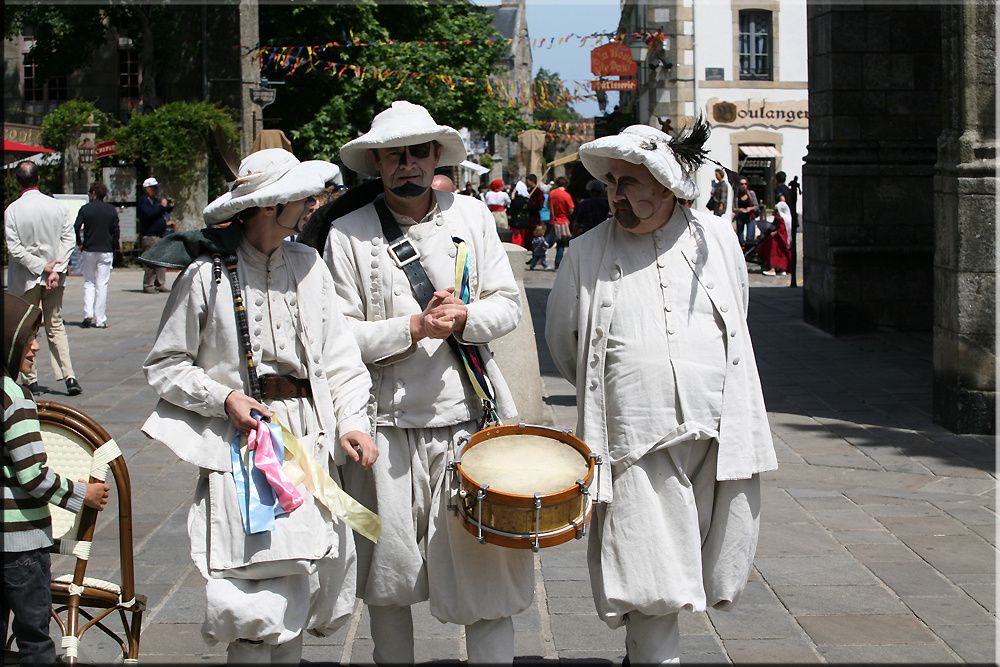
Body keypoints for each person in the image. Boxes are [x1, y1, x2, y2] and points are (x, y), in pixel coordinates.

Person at [545, 123, 777, 665]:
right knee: (648, 575)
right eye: (612, 182)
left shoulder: (715, 237)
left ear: (668, 184)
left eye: (631, 181)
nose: (616, 194)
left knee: (698, 561)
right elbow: (565, 342)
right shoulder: (585, 253)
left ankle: (642, 653)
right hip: (632, 439)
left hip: (716, 432)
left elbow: (736, 311)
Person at [141, 148, 378, 664]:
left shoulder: (309, 264)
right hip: (241, 447)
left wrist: (353, 423)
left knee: (301, 579)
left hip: (306, 443)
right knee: (248, 597)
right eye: (303, 197)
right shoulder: (206, 275)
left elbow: (341, 361)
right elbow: (165, 365)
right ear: (271, 206)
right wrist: (222, 397)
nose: (314, 204)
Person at [323, 100, 533, 665]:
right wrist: (412, 326)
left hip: (469, 422)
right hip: (382, 430)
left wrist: (465, 317)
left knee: (487, 577)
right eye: (395, 155)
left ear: (436, 156)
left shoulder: (472, 217)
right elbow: (336, 336)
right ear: (377, 163)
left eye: (418, 152)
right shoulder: (346, 233)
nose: (408, 165)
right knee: (387, 582)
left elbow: (507, 306)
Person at [2, 292, 109, 665]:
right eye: (28, 337)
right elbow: (33, 476)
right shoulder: (14, 397)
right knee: (34, 638)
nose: (35, 345)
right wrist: (83, 495)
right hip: (22, 548)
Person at [4, 160, 82, 396]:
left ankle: (31, 379)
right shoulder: (57, 207)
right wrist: (55, 270)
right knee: (55, 324)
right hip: (54, 278)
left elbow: (14, 248)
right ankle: (69, 376)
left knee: (27, 327)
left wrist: (41, 267)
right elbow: (69, 240)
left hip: (26, 278)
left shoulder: (12, 210)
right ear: (39, 179)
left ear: (18, 181)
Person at [74, 181, 120, 330]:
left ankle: (88, 314)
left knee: (89, 282)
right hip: (105, 250)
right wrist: (113, 246)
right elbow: (116, 231)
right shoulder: (111, 210)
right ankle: (100, 319)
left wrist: (79, 242)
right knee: (102, 284)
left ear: (93, 193)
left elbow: (76, 226)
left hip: (89, 249)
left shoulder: (85, 209)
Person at [137, 177, 173, 293]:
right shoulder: (143, 201)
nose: (156, 190)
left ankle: (160, 283)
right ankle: (148, 285)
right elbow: (149, 214)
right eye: (153, 188)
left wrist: (168, 207)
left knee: (161, 261)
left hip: (159, 235)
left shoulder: (155, 201)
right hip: (150, 235)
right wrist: (161, 207)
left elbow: (161, 212)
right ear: (147, 189)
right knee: (151, 261)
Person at [758, 195, 792, 276]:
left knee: (773, 253)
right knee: (782, 254)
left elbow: (781, 229)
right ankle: (782, 269)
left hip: (777, 240)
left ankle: (773, 268)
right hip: (782, 240)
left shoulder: (781, 218)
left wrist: (774, 233)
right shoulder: (785, 217)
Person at [547, 176, 574, 269]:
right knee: (561, 244)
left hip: (553, 221)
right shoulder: (566, 195)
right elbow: (571, 210)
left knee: (549, 241)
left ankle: (538, 256)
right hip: (563, 222)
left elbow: (548, 205)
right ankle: (558, 264)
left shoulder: (551, 193)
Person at [732, 177, 758, 246]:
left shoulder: (751, 193)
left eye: (745, 184)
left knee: (750, 237)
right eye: (742, 184)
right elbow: (733, 208)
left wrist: (750, 209)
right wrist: (739, 210)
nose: (744, 186)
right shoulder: (736, 195)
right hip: (740, 217)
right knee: (740, 238)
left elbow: (756, 206)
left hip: (750, 217)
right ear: (739, 185)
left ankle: (749, 252)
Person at [508, 180, 531, 247]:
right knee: (522, 236)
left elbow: (512, 209)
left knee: (516, 238)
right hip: (524, 221)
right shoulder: (527, 200)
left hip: (516, 221)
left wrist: (512, 198)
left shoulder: (517, 200)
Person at [525, 174, 545, 252]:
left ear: (532, 181)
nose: (526, 183)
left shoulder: (538, 192)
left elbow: (540, 205)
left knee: (534, 233)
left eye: (527, 181)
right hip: (528, 216)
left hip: (534, 216)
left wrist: (529, 202)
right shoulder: (528, 191)